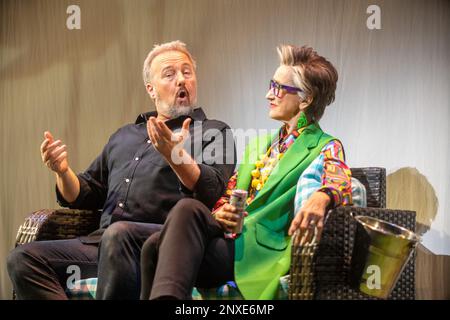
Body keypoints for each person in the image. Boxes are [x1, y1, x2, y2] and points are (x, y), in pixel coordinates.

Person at [7, 40, 236, 300]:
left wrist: (176, 156)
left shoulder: (215, 131)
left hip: (161, 244)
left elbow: (212, 189)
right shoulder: (124, 135)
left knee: (120, 234)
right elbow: (85, 194)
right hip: (103, 243)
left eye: (187, 72)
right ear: (151, 89)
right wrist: (62, 171)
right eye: (170, 74)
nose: (181, 80)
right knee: (23, 259)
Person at [139, 44, 352, 300]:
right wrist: (222, 212)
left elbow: (340, 180)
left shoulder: (324, 145)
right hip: (233, 239)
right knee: (159, 239)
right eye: (270, 85)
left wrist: (322, 197)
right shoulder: (258, 146)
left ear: (305, 99)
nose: (268, 95)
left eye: (278, 89)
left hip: (261, 251)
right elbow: (228, 195)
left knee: (167, 233)